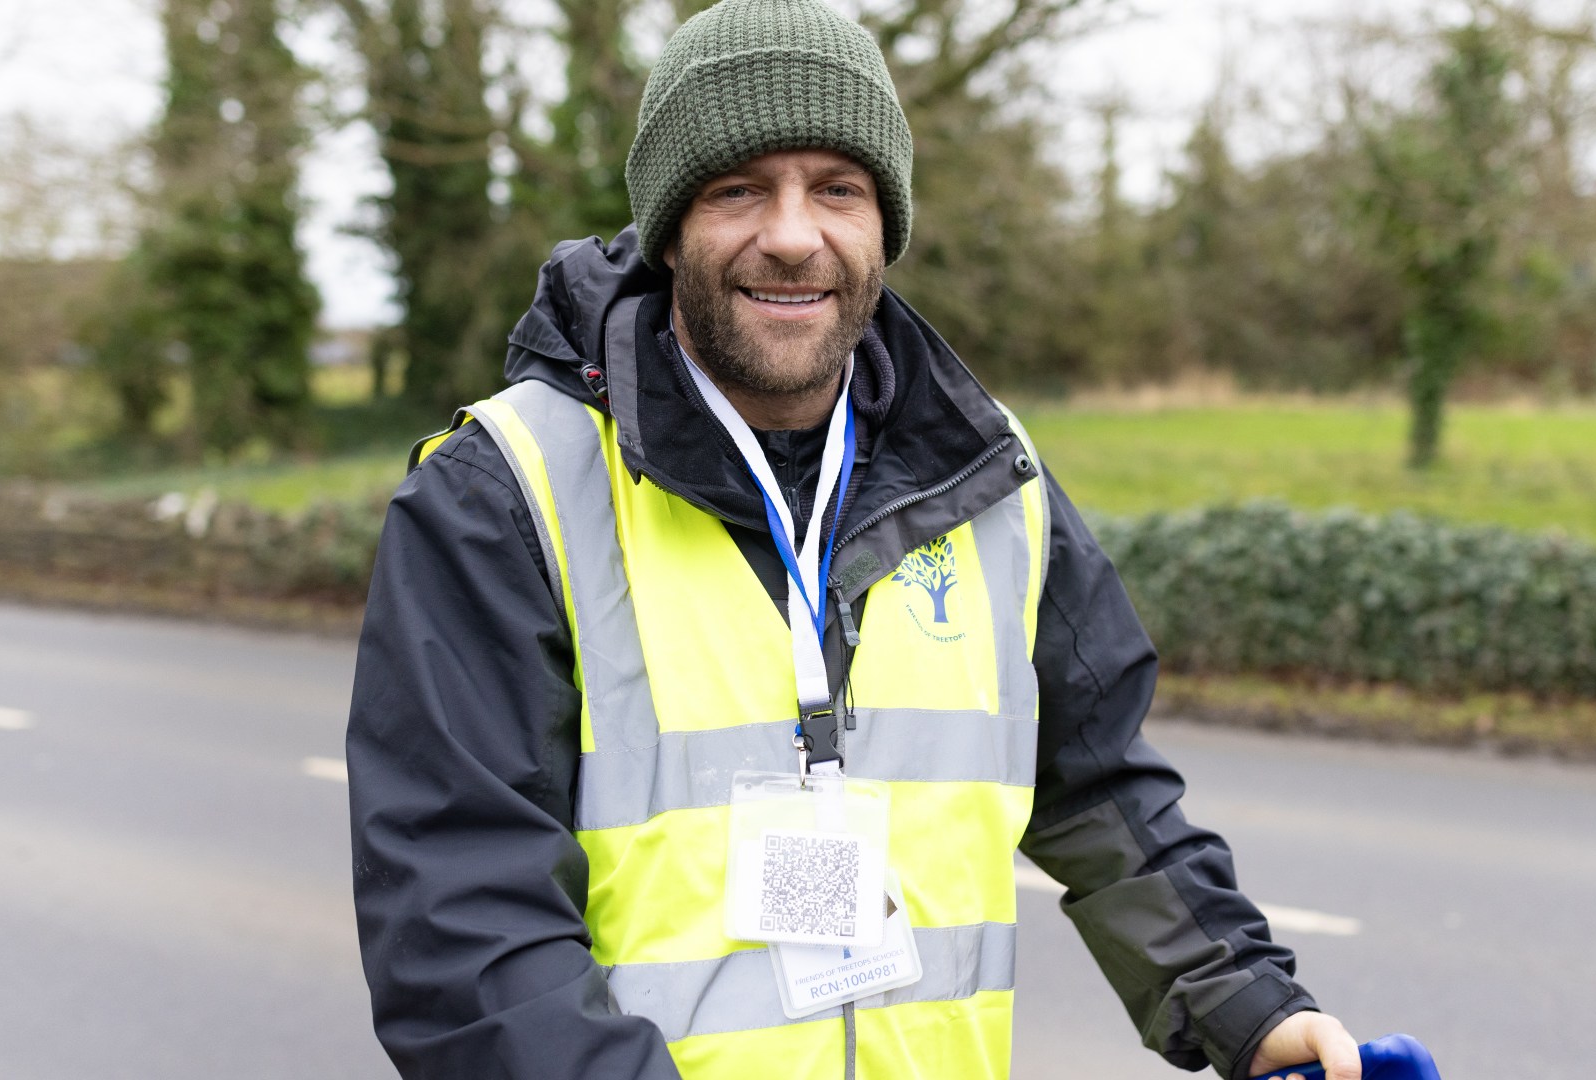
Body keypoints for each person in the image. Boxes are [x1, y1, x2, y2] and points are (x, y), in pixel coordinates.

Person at [346, 2, 1362, 1078]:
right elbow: (465, 931)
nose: (793, 235)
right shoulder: (505, 493)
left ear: (885, 225)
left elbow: (1098, 782)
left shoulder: (986, 474)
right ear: (669, 226)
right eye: (739, 187)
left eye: (839, 188)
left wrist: (1246, 1003)